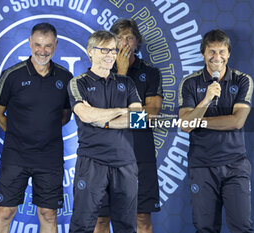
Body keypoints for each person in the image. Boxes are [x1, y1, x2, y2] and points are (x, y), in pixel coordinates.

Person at [0, 22, 72, 233]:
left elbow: (65, 115)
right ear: (29, 43)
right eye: (37, 45)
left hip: (50, 158)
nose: (42, 51)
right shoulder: (12, 75)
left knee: (48, 214)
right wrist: (20, 135)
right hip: (16, 155)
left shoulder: (65, 78)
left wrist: (44, 132)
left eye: (47, 46)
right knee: (4, 212)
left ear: (55, 45)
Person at [178, 29, 254, 233]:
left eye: (222, 52)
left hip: (235, 165)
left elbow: (237, 121)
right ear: (203, 53)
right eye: (212, 51)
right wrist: (206, 100)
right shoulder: (190, 83)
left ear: (229, 53)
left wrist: (199, 121)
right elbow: (185, 125)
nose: (217, 57)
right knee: (205, 229)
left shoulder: (242, 80)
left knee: (242, 228)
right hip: (202, 165)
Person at [68, 30, 142, 233]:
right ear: (90, 52)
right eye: (104, 50)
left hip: (125, 163)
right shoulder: (78, 83)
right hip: (92, 162)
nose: (110, 55)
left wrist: (104, 121)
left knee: (126, 227)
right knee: (82, 226)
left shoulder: (126, 83)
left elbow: (138, 119)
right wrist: (120, 110)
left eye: (113, 50)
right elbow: (85, 115)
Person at [94, 18, 163, 233]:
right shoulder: (99, 72)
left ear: (136, 43)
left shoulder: (150, 73)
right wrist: (121, 74)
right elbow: (98, 114)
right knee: (101, 219)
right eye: (120, 38)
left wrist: (117, 118)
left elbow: (152, 114)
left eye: (129, 38)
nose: (125, 43)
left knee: (141, 217)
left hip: (139, 154)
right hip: (105, 154)